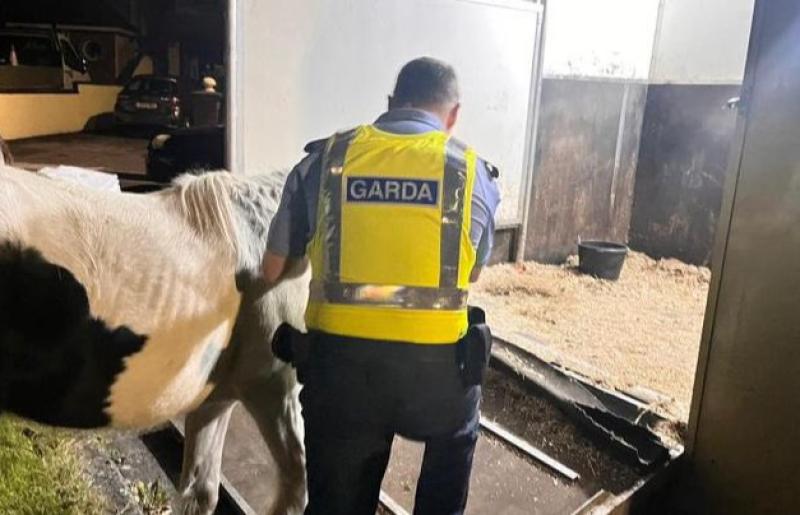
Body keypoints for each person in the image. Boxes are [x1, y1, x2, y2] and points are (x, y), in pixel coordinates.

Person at [262, 56, 501, 515]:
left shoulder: (325, 160)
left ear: (390, 103)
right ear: (453, 116)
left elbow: (273, 269)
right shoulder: (475, 175)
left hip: (340, 377)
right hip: (439, 385)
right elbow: (471, 275)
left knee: (336, 502)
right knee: (456, 439)